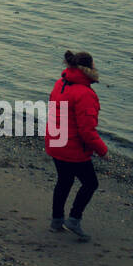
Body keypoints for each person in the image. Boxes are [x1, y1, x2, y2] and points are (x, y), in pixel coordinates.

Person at [45, 49, 107, 241]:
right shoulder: (85, 93)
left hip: (56, 141)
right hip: (72, 148)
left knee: (64, 181)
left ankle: (56, 221)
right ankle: (74, 219)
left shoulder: (60, 83)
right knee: (90, 183)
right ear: (88, 68)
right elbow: (86, 131)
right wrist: (102, 150)